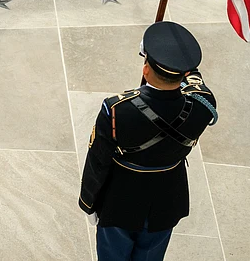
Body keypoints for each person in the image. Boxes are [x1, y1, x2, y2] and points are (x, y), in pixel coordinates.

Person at [79, 22, 219, 261]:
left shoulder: (116, 109)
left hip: (120, 199)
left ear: (145, 69)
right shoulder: (204, 105)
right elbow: (196, 81)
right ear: (184, 73)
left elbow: (98, 161)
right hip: (167, 197)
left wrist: (88, 203)